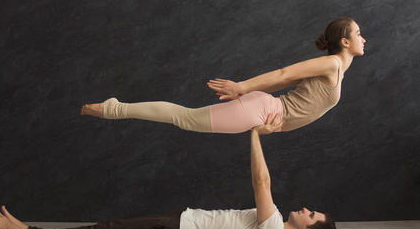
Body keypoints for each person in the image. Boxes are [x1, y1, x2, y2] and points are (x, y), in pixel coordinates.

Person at [0, 115, 337, 229]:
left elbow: (261, 181)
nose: (306, 209)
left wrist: (255, 133)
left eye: (311, 215)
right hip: (181, 224)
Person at [81, 17, 365, 133]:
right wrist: (242, 86)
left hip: (265, 111)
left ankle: (114, 108)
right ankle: (114, 109)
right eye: (358, 34)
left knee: (186, 118)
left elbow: (285, 81)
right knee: (186, 118)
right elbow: (284, 72)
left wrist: (246, 90)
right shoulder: (332, 65)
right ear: (344, 41)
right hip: (263, 110)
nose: (363, 39)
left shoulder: (336, 70)